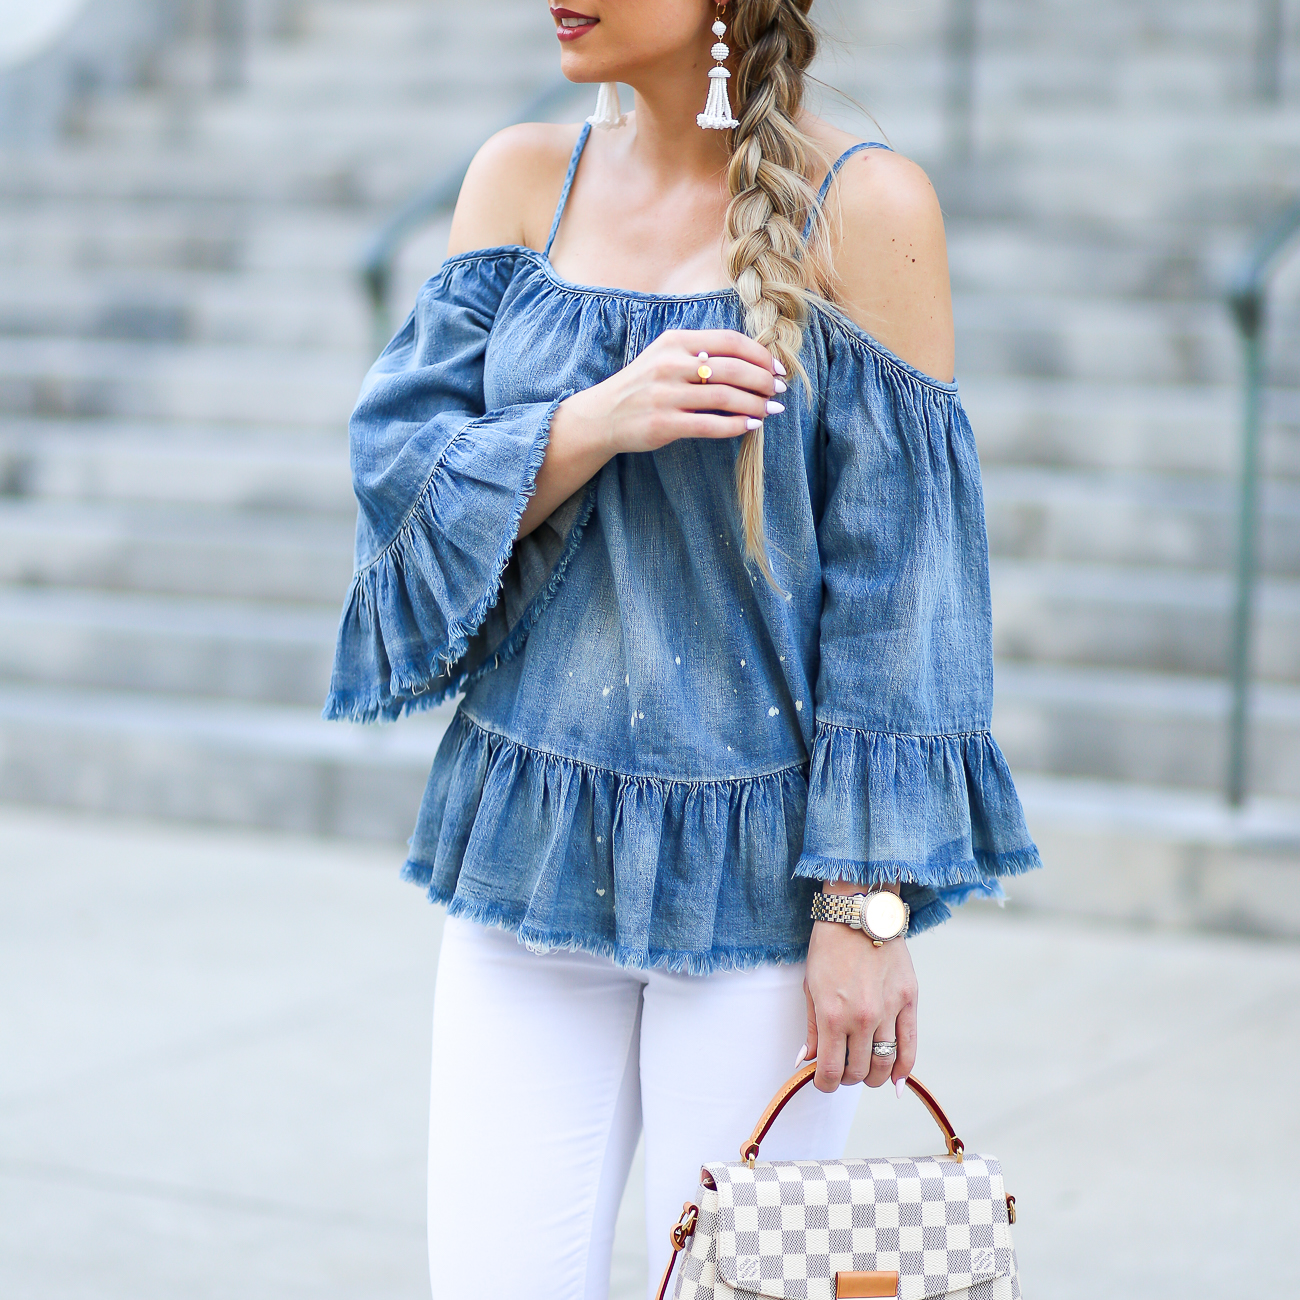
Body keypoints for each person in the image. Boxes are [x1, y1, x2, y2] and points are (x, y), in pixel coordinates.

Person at [324, 2, 1040, 1297]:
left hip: (764, 904)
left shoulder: (869, 208)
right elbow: (402, 479)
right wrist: (589, 422)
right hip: (526, 861)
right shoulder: (518, 182)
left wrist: (865, 911)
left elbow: (907, 597)